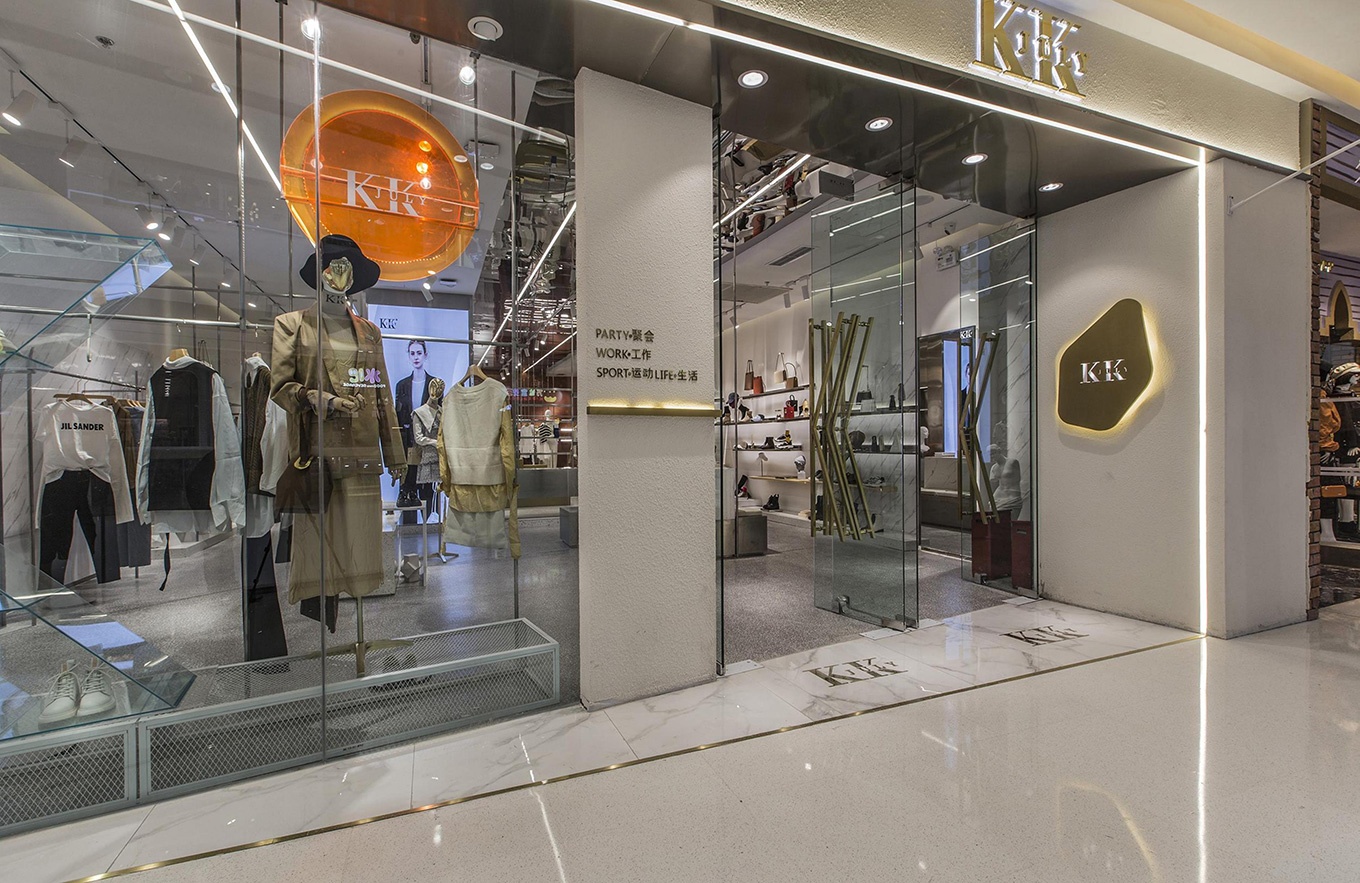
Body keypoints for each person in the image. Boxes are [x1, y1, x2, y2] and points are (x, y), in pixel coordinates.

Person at [394, 340, 442, 513]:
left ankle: (430, 520)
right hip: (408, 440)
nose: (416, 357)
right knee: (408, 479)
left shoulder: (435, 384)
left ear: (425, 355)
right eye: (412, 353)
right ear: (408, 355)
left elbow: (440, 414)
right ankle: (409, 515)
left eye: (419, 353)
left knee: (428, 486)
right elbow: (398, 415)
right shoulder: (402, 385)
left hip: (428, 440)